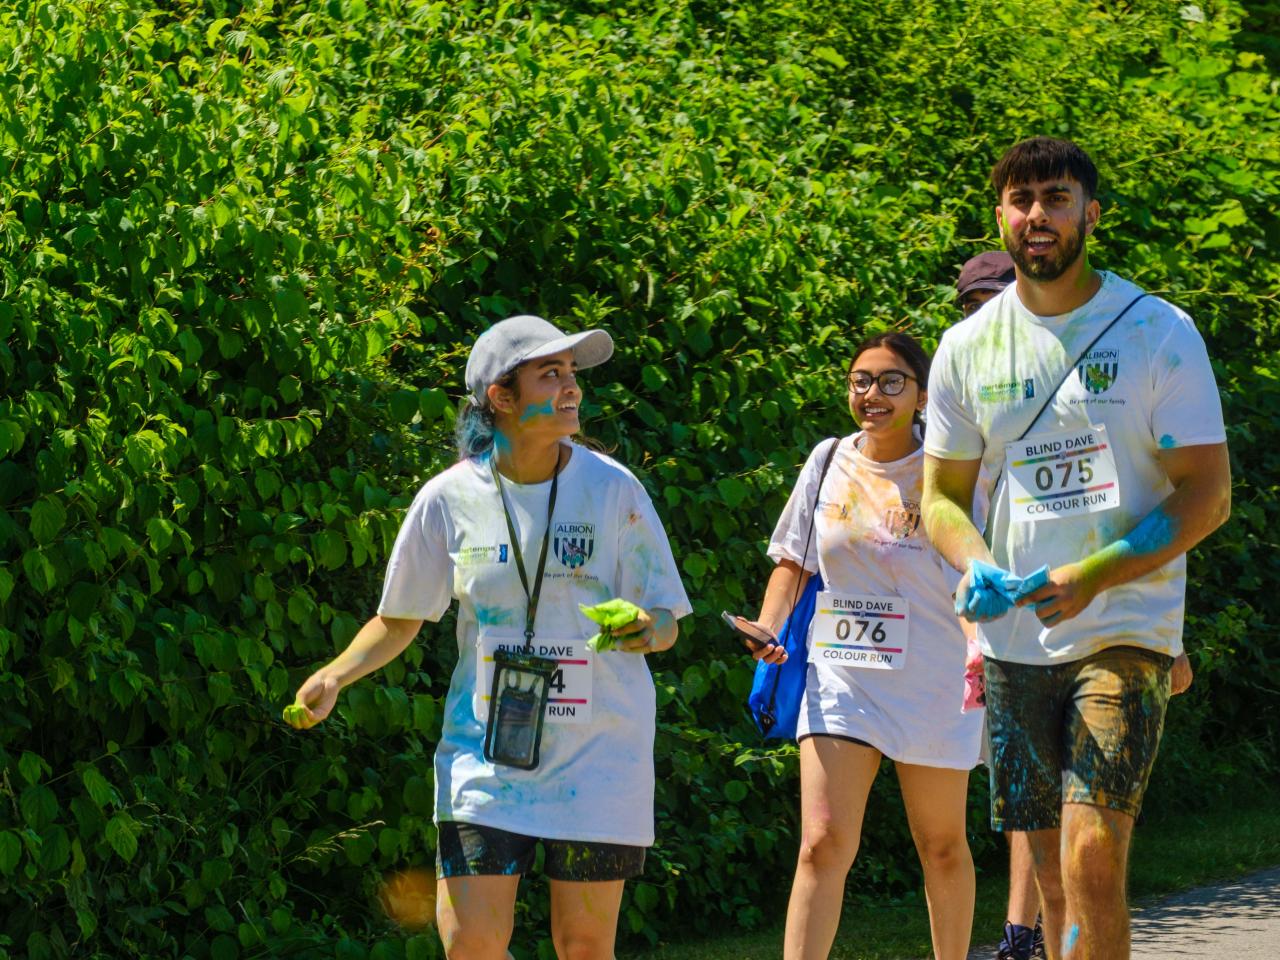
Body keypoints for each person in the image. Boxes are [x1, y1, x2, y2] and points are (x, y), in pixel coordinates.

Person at [286, 315, 692, 960]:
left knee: (584, 945)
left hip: (600, 760)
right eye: (550, 373)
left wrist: (648, 630)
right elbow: (400, 618)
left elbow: (668, 617)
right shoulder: (448, 499)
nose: (572, 389)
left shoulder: (615, 490)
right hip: (485, 756)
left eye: (573, 374)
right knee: (469, 943)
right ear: (499, 397)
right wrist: (335, 674)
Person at [922, 137, 1230, 960]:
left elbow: (1207, 491)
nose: (1037, 217)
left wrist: (1096, 574)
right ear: (1001, 218)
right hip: (1018, 637)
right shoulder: (968, 347)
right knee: (1055, 881)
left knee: (1092, 849)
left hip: (1125, 624)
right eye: (1021, 202)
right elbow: (942, 497)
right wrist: (975, 560)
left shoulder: (1158, 331)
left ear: (1091, 213)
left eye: (1056, 198)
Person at [737, 332, 984, 960]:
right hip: (840, 677)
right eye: (860, 381)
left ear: (923, 394)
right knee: (821, 841)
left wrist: (981, 647)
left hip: (933, 679)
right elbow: (792, 562)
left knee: (941, 845)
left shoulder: (951, 471)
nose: (872, 394)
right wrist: (769, 626)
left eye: (891, 381)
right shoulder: (827, 459)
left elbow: (975, 573)